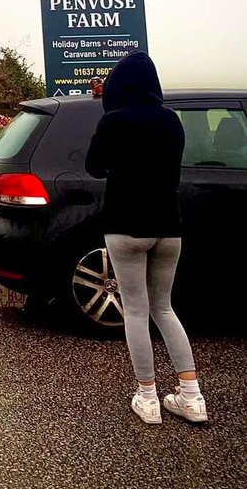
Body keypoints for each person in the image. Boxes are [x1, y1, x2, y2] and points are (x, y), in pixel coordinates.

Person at [85, 50, 208, 425]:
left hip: (125, 226)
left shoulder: (113, 121)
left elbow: (94, 166)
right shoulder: (172, 121)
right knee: (165, 308)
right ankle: (192, 398)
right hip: (169, 227)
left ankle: (148, 398)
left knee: (136, 312)